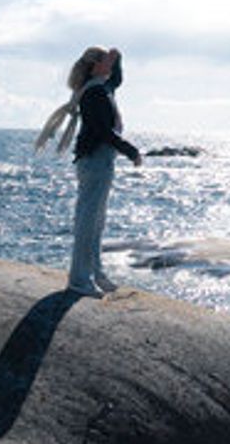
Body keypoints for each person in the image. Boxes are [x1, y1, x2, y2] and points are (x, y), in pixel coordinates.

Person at [64, 45, 142, 297]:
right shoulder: (94, 93)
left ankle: (95, 273)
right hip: (95, 160)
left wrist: (117, 57)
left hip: (101, 161)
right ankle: (79, 280)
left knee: (97, 222)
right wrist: (130, 150)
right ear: (96, 65)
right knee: (88, 222)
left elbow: (117, 79)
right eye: (105, 60)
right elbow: (102, 131)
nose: (110, 64)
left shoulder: (103, 87)